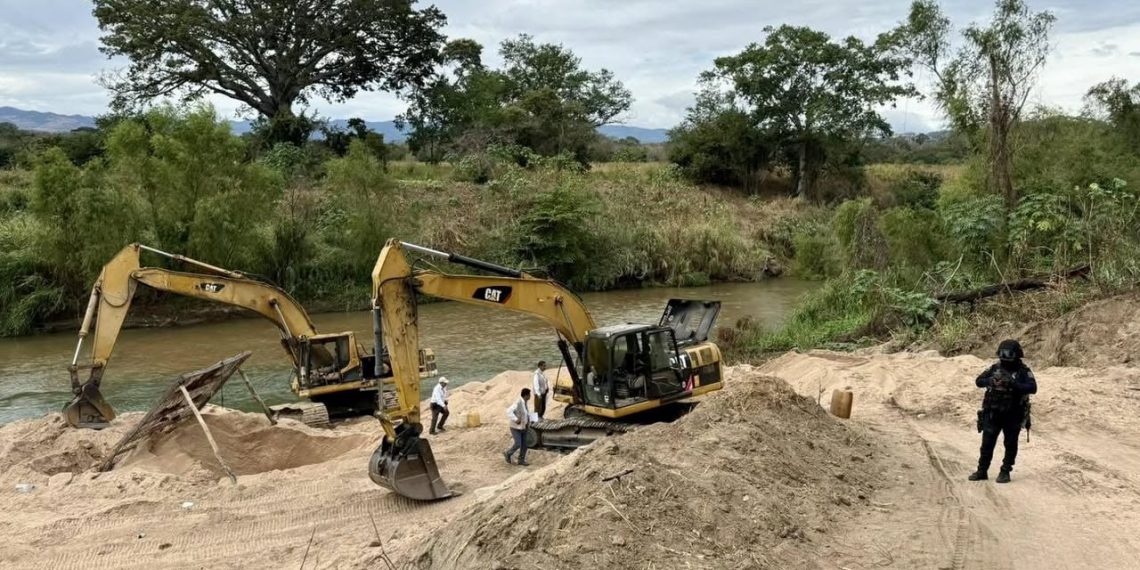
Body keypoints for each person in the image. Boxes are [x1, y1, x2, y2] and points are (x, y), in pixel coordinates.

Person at [969, 339, 1037, 484]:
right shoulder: (995, 368)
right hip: (993, 412)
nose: (1005, 357)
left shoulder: (1023, 371)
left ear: (1016, 355)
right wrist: (990, 382)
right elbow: (979, 381)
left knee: (1010, 444)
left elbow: (1032, 388)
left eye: (1009, 353)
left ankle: (1005, 470)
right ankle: (982, 471)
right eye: (1003, 353)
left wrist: (1013, 384)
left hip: (1013, 414)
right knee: (987, 443)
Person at [504, 387, 532, 466]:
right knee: (518, 443)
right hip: (515, 428)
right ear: (526, 395)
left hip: (523, 427)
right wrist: (515, 419)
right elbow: (508, 411)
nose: (530, 396)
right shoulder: (518, 402)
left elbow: (525, 414)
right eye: (529, 395)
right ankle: (508, 453)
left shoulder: (525, 403)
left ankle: (521, 460)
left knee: (525, 444)